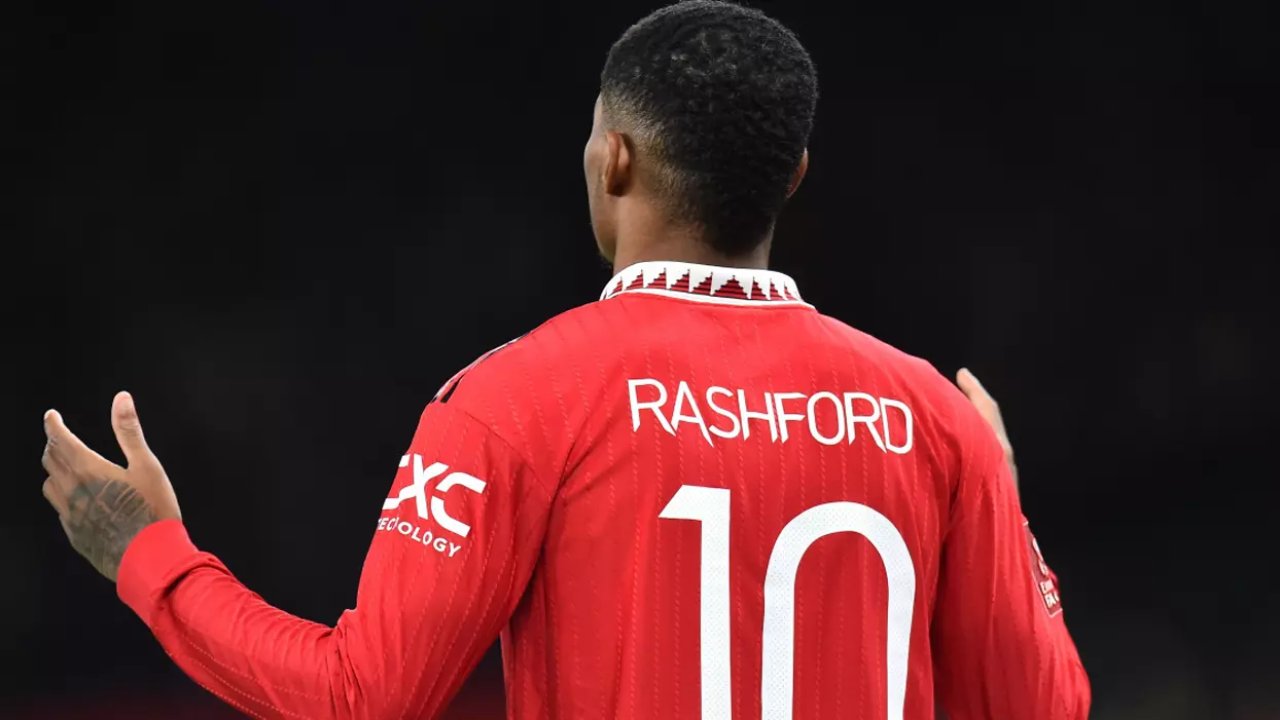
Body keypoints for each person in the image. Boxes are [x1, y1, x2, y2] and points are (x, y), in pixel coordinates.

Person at [38, 1, 1089, 718]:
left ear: (613, 157)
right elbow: (1043, 707)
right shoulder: (934, 419)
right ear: (793, 175)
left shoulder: (519, 399)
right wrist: (1002, 501)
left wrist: (150, 557)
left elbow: (361, 695)